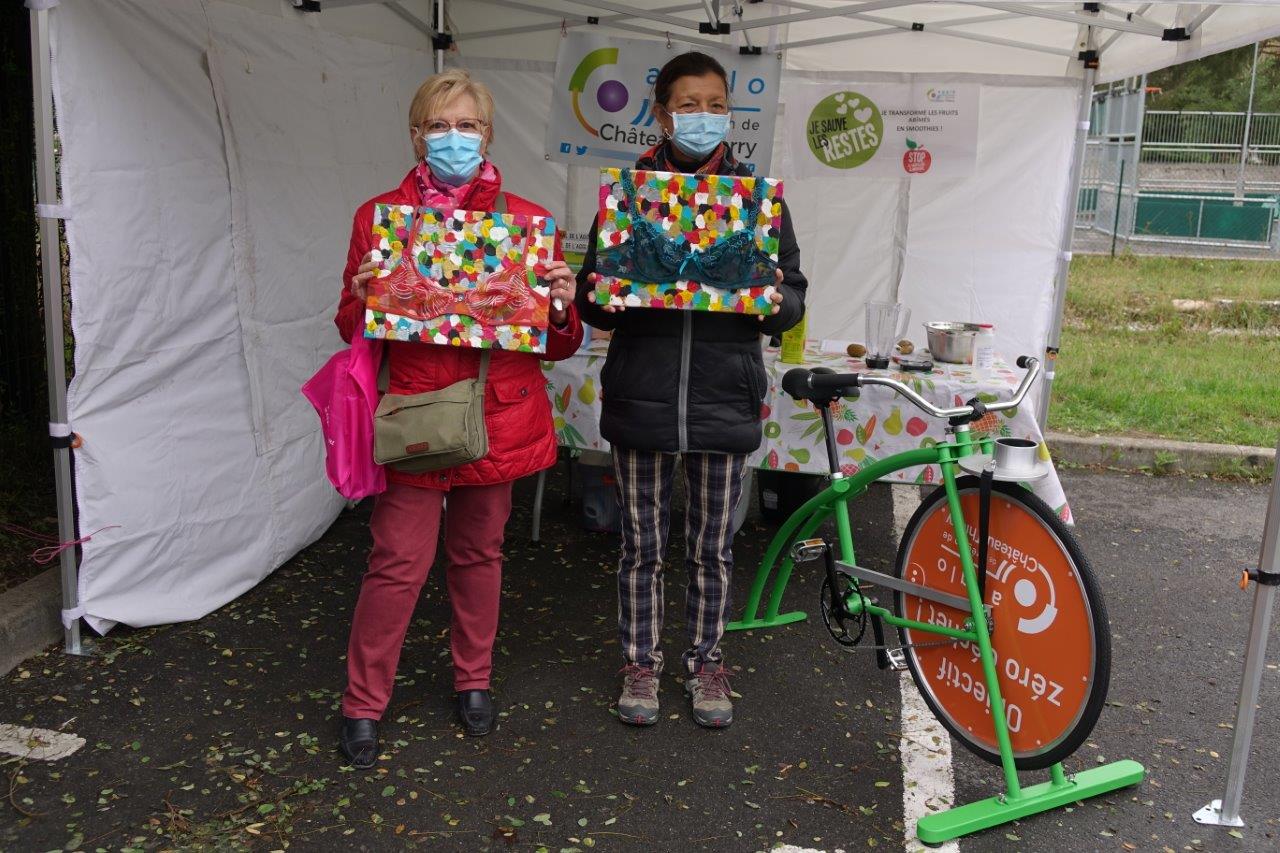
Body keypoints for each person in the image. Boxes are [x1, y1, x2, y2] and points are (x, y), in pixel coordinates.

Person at [335, 69, 583, 768]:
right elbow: (350, 328)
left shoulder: (528, 222)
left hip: (498, 414)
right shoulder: (378, 217)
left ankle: (473, 679)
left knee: (479, 555)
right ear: (416, 135)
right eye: (440, 126)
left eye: (467, 125)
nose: (454, 138)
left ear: (489, 133)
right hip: (416, 414)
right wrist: (361, 298)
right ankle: (363, 701)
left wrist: (561, 303)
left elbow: (558, 343)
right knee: (396, 563)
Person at [574, 51, 807, 728]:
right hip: (641, 391)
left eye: (714, 104)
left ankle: (707, 661)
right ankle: (639, 662)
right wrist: (609, 292)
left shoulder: (757, 200)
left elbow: (792, 294)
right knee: (641, 543)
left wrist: (769, 300)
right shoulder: (627, 196)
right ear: (660, 111)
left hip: (724, 394)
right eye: (688, 104)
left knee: (713, 546)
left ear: (729, 110)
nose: (702, 117)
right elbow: (596, 297)